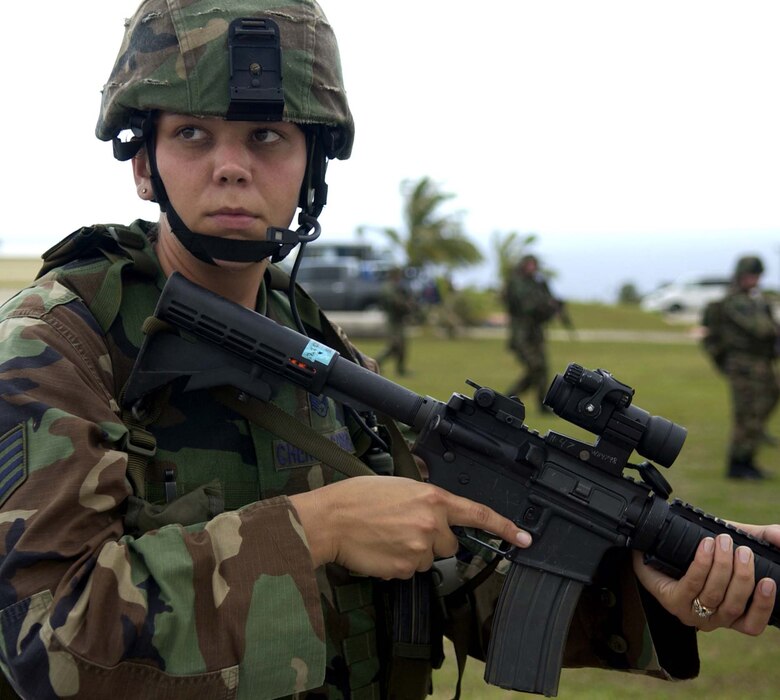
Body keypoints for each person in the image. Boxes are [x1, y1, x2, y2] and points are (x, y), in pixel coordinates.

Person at [0, 2, 776, 698]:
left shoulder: (327, 361)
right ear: (144, 163)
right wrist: (320, 529)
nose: (231, 166)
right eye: (192, 134)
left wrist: (649, 594)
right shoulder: (55, 344)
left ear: (313, 165)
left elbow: (453, 591)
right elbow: (45, 643)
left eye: (267, 135)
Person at [704, 255, 780, 480]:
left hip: (760, 365)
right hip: (744, 367)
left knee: (759, 410)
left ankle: (748, 457)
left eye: (756, 276)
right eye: (750, 276)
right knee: (746, 415)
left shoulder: (753, 300)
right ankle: (738, 465)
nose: (754, 280)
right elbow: (762, 329)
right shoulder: (737, 302)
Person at [503, 254, 563, 411]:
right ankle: (509, 396)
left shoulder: (538, 283)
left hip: (536, 332)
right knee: (535, 367)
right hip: (522, 334)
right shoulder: (516, 282)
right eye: (529, 265)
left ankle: (542, 405)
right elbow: (527, 306)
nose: (532, 268)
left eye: (534, 265)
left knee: (542, 368)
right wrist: (545, 305)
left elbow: (546, 301)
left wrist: (552, 306)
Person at [376, 266, 417, 375]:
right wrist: (406, 304)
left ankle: (400, 369)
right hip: (393, 320)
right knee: (395, 345)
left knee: (401, 345)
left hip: (399, 320)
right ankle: (375, 363)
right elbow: (394, 301)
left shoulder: (397, 286)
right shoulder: (388, 286)